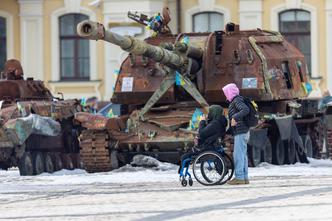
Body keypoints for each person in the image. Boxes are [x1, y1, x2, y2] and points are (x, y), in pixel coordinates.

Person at [179, 105, 227, 171]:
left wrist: (202, 121)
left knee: (184, 157)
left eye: (210, 112)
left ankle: (182, 173)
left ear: (214, 113)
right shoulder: (220, 122)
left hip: (208, 148)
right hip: (214, 146)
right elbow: (208, 132)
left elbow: (202, 133)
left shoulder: (215, 123)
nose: (209, 114)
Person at [222, 83, 250, 185]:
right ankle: (244, 177)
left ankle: (239, 177)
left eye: (226, 93)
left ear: (230, 92)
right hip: (243, 131)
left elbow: (245, 110)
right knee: (242, 155)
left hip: (241, 132)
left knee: (238, 155)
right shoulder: (237, 100)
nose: (225, 95)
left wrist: (235, 117)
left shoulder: (237, 100)